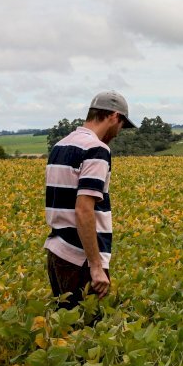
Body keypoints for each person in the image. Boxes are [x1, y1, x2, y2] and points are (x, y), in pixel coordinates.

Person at [44, 90, 136, 311]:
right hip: (80, 258)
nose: (118, 132)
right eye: (121, 124)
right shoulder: (96, 150)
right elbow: (84, 209)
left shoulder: (60, 146)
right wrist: (96, 266)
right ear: (114, 116)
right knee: (86, 332)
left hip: (57, 252)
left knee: (65, 328)